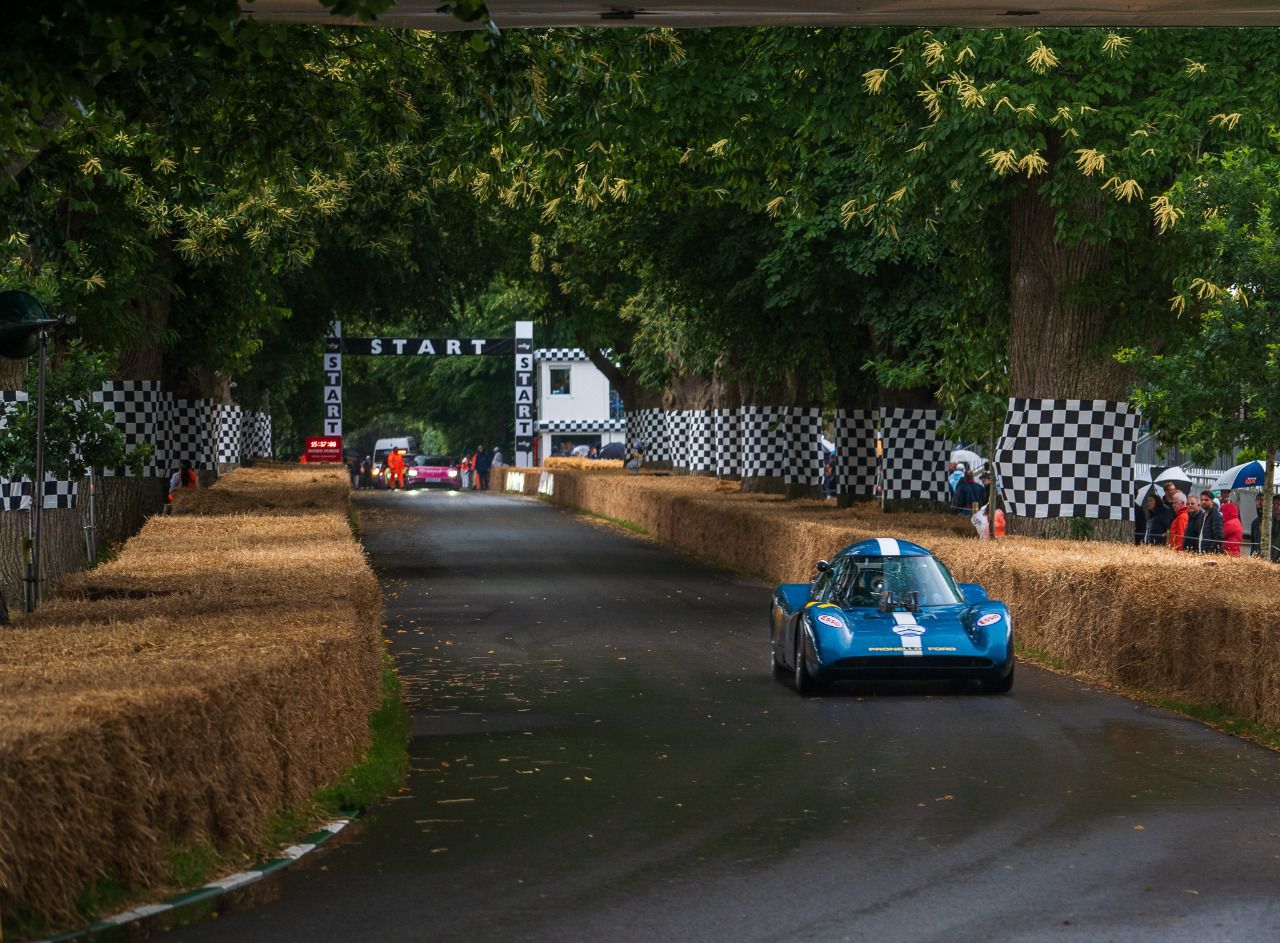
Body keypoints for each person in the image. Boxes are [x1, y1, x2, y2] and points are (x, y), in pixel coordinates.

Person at [1183, 489, 1225, 554]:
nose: (1203, 502)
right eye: (1202, 500)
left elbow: (1219, 537)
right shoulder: (1203, 515)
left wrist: (1210, 552)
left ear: (1212, 501)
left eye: (1206, 500)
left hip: (1209, 555)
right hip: (1200, 552)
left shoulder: (1215, 515)